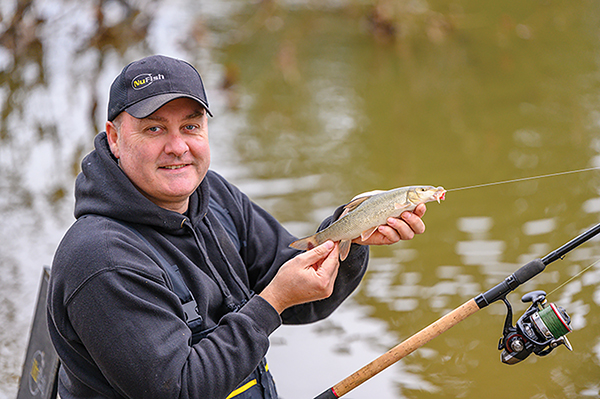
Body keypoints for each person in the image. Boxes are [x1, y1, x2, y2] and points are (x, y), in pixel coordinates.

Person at [47, 55, 427, 399]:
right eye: (155, 129)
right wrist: (272, 303)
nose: (178, 147)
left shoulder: (213, 196)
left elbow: (305, 296)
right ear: (114, 137)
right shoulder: (101, 258)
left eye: (191, 126)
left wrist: (350, 234)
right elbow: (178, 389)